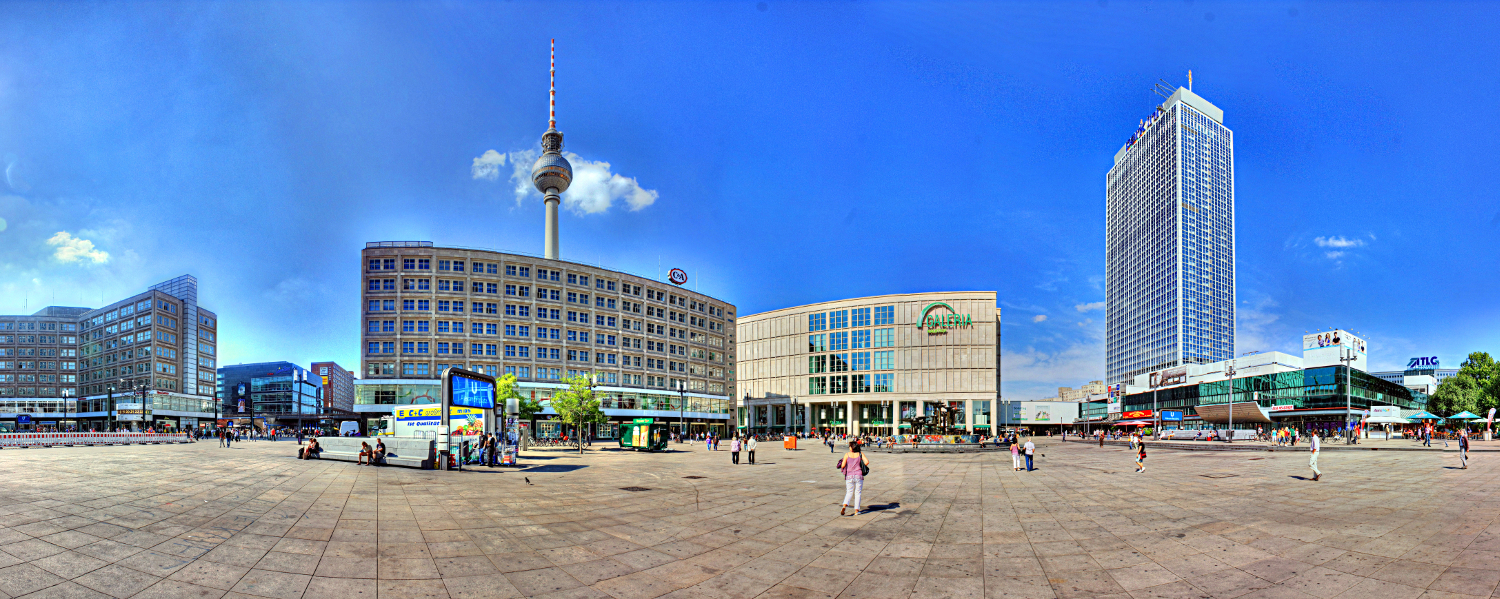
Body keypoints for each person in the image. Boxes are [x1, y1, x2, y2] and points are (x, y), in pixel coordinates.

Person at [838, 442, 869, 516]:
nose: (849, 447)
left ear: (852, 447)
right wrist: (860, 465)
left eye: (850, 446)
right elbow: (867, 462)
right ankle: (856, 511)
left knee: (849, 492)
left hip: (849, 476)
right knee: (858, 493)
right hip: (859, 475)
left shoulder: (847, 454)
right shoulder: (860, 454)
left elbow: (843, 465)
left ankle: (844, 506)